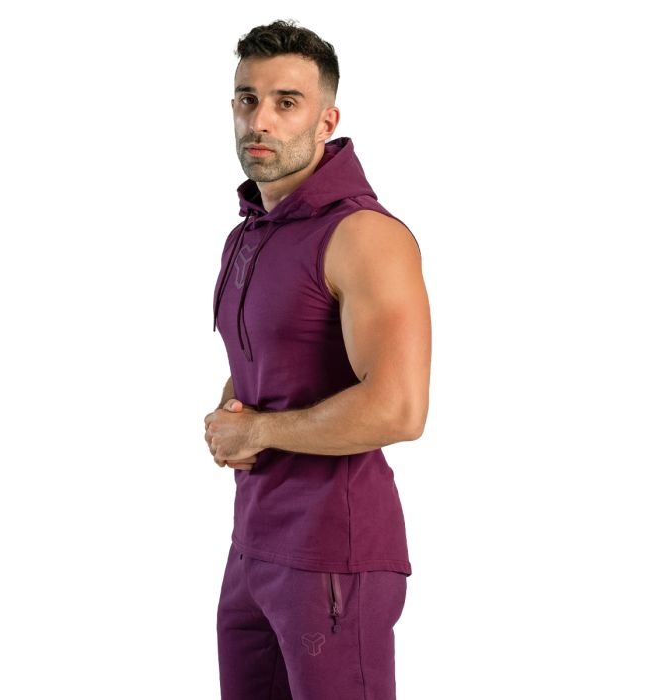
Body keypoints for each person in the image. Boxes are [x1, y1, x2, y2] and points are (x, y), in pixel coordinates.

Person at [204, 19, 431, 700]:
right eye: (248, 99)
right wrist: (233, 409)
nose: (260, 120)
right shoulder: (250, 233)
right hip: (252, 546)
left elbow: (399, 408)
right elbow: (269, 356)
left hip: (333, 554)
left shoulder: (363, 235)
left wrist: (259, 430)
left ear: (327, 119)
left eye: (286, 102)